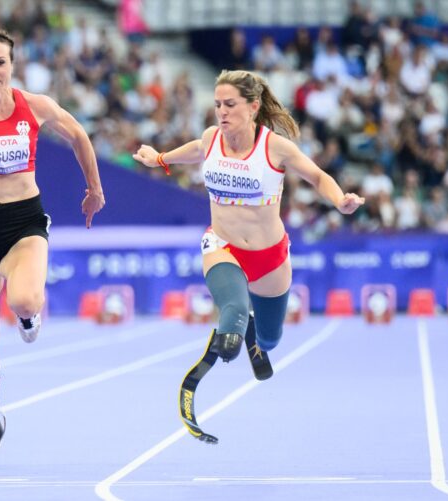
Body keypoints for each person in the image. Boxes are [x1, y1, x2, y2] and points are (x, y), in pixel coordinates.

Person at [133, 69, 363, 443]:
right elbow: (194, 149)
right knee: (234, 318)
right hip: (223, 246)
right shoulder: (212, 138)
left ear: (253, 107)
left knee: (269, 341)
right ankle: (236, 326)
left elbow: (319, 177)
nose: (221, 113)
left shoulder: (275, 148)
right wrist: (158, 158)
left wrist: (341, 200)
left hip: (270, 257)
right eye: (217, 105)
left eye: (230, 105)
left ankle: (255, 330)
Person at [0, 28, 105, 466]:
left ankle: (29, 313)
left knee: (25, 298)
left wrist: (94, 189)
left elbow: (78, 137)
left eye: (0, 63)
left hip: (23, 221)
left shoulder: (34, 105)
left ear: (13, 65)